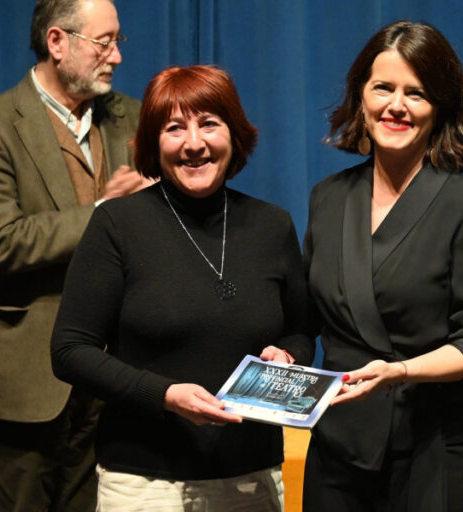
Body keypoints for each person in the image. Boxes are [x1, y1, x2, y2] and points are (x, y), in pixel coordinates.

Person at [51, 65, 313, 511]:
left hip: (253, 478)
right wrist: (165, 395)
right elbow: (70, 350)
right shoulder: (118, 224)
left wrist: (287, 359)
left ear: (234, 134)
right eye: (175, 128)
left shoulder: (273, 225)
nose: (194, 143)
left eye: (209, 123)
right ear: (155, 141)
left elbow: (302, 332)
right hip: (145, 483)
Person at [302, 20, 463, 512]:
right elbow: (303, 318)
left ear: (440, 108)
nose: (396, 105)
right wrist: (281, 353)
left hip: (428, 456)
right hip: (336, 453)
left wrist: (399, 371)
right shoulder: (327, 198)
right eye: (383, 88)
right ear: (361, 96)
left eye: (415, 93)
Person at [0, 0, 148, 510]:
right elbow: (2, 241)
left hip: (110, 380)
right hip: (26, 387)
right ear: (57, 43)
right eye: (103, 42)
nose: (117, 56)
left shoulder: (131, 118)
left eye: (117, 41)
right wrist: (109, 210)